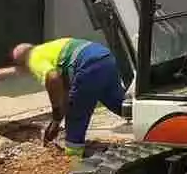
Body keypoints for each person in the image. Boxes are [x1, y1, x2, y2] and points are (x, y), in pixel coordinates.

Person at [10, 38, 125, 166]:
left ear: (21, 63)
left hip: (89, 65)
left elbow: (53, 78)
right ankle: (149, 125)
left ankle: (73, 162)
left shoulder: (33, 58)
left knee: (75, 115)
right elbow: (64, 91)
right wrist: (56, 122)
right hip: (106, 57)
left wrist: (56, 110)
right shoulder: (49, 49)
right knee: (119, 104)